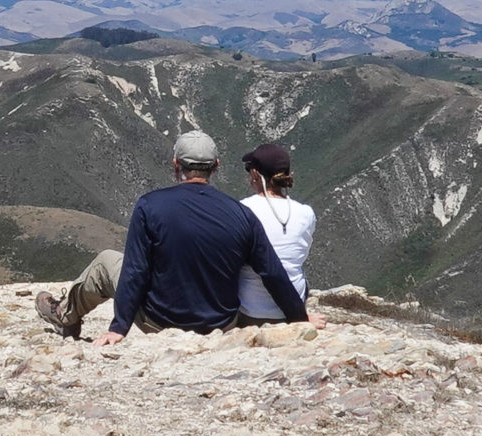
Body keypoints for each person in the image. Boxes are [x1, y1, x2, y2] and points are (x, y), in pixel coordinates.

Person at [35, 129, 324, 346]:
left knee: (106, 261)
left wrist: (118, 328)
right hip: (221, 323)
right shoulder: (241, 214)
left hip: (160, 321)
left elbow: (136, 270)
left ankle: (65, 314)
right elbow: (272, 272)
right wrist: (300, 317)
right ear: (216, 166)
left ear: (176, 165)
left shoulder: (150, 206)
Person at [237, 143, 323, 327]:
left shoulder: (242, 210)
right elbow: (298, 255)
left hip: (252, 310)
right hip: (294, 308)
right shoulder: (306, 213)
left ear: (254, 175)